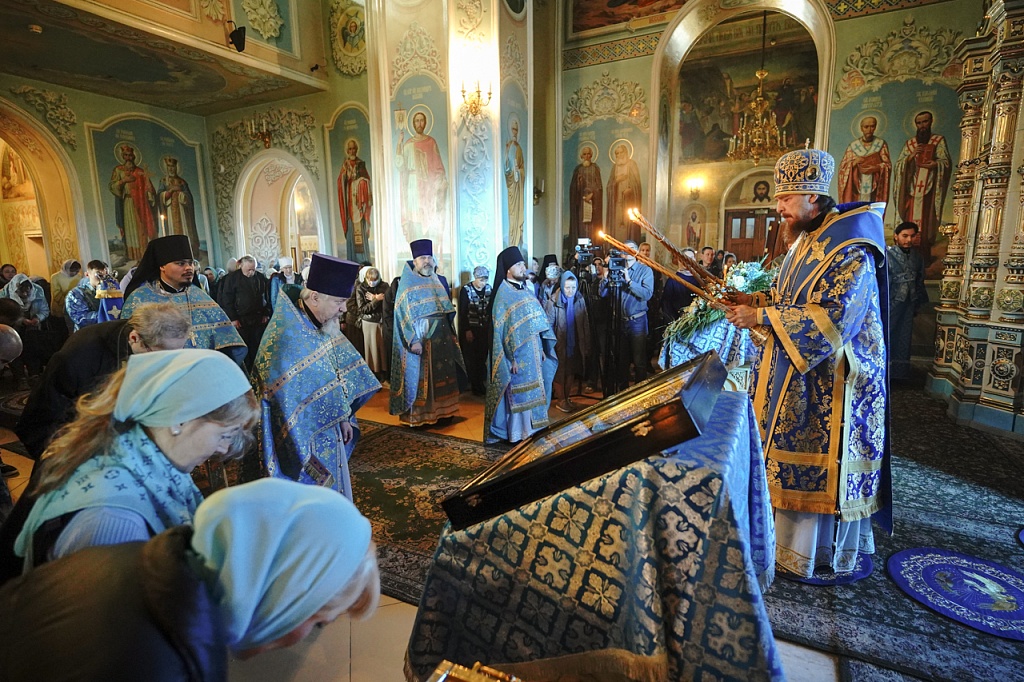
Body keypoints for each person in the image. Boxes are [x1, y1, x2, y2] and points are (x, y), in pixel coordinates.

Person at [0, 478, 379, 678]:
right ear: (285, 594)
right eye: (318, 622)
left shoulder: (138, 558)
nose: (305, 638)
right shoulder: (163, 661)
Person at [725, 147, 890, 581]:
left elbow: (837, 316)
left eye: (786, 198)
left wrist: (760, 316)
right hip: (798, 374)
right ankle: (780, 545)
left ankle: (813, 553)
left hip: (835, 383)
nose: (778, 207)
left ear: (813, 197)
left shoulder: (850, 245)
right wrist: (754, 300)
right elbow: (790, 299)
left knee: (816, 464)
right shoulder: (806, 240)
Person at [5, 349, 258, 575]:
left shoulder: (139, 454)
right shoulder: (114, 521)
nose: (224, 448)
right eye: (225, 435)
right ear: (179, 420)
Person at [253, 253, 380, 500]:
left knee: (335, 492)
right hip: (300, 441)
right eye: (339, 302)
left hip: (332, 428)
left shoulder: (323, 323)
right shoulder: (285, 338)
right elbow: (282, 405)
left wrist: (344, 414)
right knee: (311, 500)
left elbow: (335, 374)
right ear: (314, 297)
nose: (344, 309)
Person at [15, 303, 191, 461]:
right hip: (78, 446)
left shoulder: (148, 342)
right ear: (135, 338)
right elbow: (44, 420)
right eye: (163, 355)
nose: (169, 363)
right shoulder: (80, 356)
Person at [122, 234, 246, 365]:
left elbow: (228, 343)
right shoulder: (139, 299)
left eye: (191, 263)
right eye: (180, 263)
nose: (189, 268)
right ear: (162, 266)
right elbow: (128, 347)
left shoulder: (200, 296)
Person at [389, 239, 466, 426]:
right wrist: (413, 340)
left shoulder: (437, 280)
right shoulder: (406, 284)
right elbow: (402, 315)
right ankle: (421, 417)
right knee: (423, 379)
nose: (427, 261)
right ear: (415, 261)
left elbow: (445, 309)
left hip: (442, 338)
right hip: (421, 340)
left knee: (444, 375)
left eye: (429, 258)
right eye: (423, 258)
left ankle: (445, 412)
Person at [485, 246, 557, 443]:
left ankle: (534, 429)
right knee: (519, 394)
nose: (523, 268)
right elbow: (501, 332)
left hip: (533, 350)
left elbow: (535, 322)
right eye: (518, 265)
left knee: (535, 390)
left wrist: (541, 347)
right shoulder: (503, 294)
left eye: (523, 264)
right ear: (508, 269)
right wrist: (510, 359)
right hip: (516, 356)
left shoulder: (525, 289)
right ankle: (518, 433)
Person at [892, 110, 951, 263]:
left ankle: (924, 256)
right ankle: (906, 256)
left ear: (930, 122)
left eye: (925, 122)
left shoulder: (938, 140)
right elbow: (899, 166)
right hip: (912, 190)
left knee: (926, 222)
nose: (922, 125)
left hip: (928, 190)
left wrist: (935, 164)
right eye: (919, 123)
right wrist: (911, 156)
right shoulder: (910, 144)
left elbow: (945, 162)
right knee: (909, 218)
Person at [599, 239, 653, 392]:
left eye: (630, 249)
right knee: (621, 360)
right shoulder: (616, 268)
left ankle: (640, 394)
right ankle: (622, 394)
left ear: (636, 252)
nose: (627, 252)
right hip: (619, 321)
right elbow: (602, 293)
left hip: (637, 321)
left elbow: (647, 294)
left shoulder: (645, 271)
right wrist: (605, 276)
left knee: (639, 360)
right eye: (624, 249)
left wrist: (629, 281)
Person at [396, 111, 448, 245]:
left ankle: (429, 248)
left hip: (427, 188)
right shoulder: (408, 144)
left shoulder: (431, 142)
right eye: (417, 121)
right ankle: (417, 248)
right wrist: (399, 144)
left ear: (425, 123)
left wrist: (440, 182)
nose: (419, 123)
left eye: (421, 120)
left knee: (427, 217)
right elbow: (400, 165)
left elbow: (438, 166)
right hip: (412, 186)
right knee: (415, 219)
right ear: (413, 124)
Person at [544, 270, 590, 413]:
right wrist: (550, 346)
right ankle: (561, 399)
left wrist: (586, 342)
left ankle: (567, 397)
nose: (570, 291)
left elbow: (585, 322)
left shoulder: (579, 300)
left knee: (571, 370)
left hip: (575, 342)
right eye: (567, 287)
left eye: (573, 287)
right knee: (559, 372)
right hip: (559, 344)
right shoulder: (553, 301)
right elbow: (548, 325)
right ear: (562, 286)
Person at [888, 221, 927, 382]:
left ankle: (899, 372)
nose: (909, 240)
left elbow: (920, 279)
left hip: (909, 302)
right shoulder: (887, 254)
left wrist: (918, 301)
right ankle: (882, 370)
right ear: (896, 236)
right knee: (887, 333)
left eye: (912, 236)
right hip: (890, 301)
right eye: (905, 236)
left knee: (904, 335)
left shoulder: (917, 257)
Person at [217, 254, 272, 371]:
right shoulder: (231, 279)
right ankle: (246, 372)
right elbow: (227, 300)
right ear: (241, 266)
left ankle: (258, 371)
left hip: (258, 319)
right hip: (240, 320)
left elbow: (267, 296)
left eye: (253, 269)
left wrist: (266, 313)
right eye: (248, 270)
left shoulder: (260, 277)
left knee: (258, 347)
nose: (251, 272)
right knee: (245, 349)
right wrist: (233, 318)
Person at [108, 143, 158, 261]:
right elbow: (112, 186)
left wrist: (150, 193)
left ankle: (144, 255)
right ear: (123, 156)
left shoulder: (140, 172)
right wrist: (123, 181)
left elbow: (149, 189)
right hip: (128, 203)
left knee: (141, 228)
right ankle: (133, 256)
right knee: (130, 230)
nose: (128, 158)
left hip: (141, 204)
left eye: (130, 155)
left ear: (134, 156)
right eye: (126, 155)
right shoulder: (118, 170)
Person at [0, 274, 49, 383]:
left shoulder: (38, 291)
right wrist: (20, 320)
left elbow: (44, 309)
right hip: (11, 327)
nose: (26, 294)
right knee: (13, 350)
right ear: (15, 290)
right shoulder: (5, 293)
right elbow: (4, 313)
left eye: (28, 292)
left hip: (32, 328)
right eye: (22, 293)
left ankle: (34, 374)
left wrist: (38, 318)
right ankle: (20, 378)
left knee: (33, 349)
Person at [838, 115, 891, 204]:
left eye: (872, 126)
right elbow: (843, 168)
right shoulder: (853, 146)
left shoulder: (881, 144)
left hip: (874, 188)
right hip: (857, 188)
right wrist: (854, 162)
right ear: (861, 128)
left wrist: (877, 167)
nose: (869, 130)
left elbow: (887, 165)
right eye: (866, 127)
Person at [457, 265, 491, 396]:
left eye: (485, 280)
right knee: (472, 358)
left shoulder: (489, 289)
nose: (483, 283)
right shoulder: (466, 290)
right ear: (475, 278)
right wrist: (467, 330)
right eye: (481, 280)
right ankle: (475, 386)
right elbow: (463, 312)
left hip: (484, 329)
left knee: (482, 357)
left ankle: (481, 383)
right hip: (472, 329)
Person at [338, 139, 373, 263]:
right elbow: (340, 183)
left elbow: (367, 180)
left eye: (354, 148)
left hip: (359, 205)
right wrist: (344, 176)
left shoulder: (361, 164)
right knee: (351, 231)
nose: (352, 151)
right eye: (350, 149)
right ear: (347, 151)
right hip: (350, 204)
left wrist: (362, 182)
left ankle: (364, 260)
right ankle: (352, 261)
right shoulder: (345, 165)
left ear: (356, 150)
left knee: (361, 231)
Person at [157, 155, 201, 252]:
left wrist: (181, 194)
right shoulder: (163, 181)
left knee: (184, 231)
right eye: (169, 167)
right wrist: (170, 191)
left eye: (173, 166)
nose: (171, 169)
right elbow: (159, 196)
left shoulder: (182, 182)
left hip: (182, 212)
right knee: (172, 231)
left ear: (176, 167)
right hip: (170, 211)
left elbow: (189, 197)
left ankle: (187, 250)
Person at [605, 142, 643, 243]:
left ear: (625, 152)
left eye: (621, 152)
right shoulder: (615, 167)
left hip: (629, 202)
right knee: (617, 225)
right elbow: (609, 185)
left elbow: (637, 184)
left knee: (628, 224)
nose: (619, 155)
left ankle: (629, 246)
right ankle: (616, 246)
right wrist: (617, 181)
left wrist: (630, 190)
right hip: (617, 202)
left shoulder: (632, 164)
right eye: (617, 153)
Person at [568, 145, 603, 253]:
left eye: (588, 154)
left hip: (593, 203)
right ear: (581, 156)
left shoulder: (595, 168)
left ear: (591, 155)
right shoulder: (578, 169)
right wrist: (578, 183)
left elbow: (599, 186)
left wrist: (592, 194)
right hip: (581, 204)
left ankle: (593, 251)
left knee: (592, 228)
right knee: (582, 227)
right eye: (584, 154)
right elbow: (573, 188)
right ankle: (582, 250)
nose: (587, 156)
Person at [357, 266, 389, 381]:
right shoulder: (361, 288)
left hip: (382, 321)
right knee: (372, 350)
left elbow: (389, 301)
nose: (372, 283)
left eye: (374, 280)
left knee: (383, 349)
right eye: (369, 280)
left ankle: (385, 373)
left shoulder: (384, 286)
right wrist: (377, 300)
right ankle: (375, 374)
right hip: (369, 322)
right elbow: (362, 309)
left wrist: (374, 297)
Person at [65, 259, 111, 332]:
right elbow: (81, 318)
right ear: (87, 274)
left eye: (106, 276)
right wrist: (108, 315)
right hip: (88, 334)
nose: (102, 280)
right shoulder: (76, 294)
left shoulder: (112, 291)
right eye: (99, 276)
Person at [661, 247, 700, 321]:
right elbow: (666, 304)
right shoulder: (673, 281)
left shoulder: (699, 280)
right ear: (680, 260)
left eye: (691, 258)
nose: (689, 261)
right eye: (686, 258)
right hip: (678, 319)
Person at [504, 115, 526, 247]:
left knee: (516, 216)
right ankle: (511, 242)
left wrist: (518, 171)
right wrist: (510, 171)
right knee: (511, 216)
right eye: (512, 129)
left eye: (516, 130)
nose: (514, 132)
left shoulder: (519, 149)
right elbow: (505, 167)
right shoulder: (507, 147)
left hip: (517, 188)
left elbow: (522, 169)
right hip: (510, 186)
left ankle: (516, 241)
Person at [49, 259, 81, 335]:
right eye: (73, 271)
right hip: (61, 307)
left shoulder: (79, 276)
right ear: (67, 269)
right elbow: (56, 294)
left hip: (76, 307)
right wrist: (68, 302)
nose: (75, 273)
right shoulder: (55, 277)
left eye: (77, 271)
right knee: (63, 331)